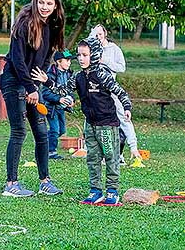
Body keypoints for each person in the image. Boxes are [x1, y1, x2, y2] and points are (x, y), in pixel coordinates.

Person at [31, 37, 132, 205]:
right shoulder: (78, 77)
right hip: (90, 124)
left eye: (85, 55)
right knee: (92, 158)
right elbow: (62, 90)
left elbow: (120, 92)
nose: (80, 58)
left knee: (110, 157)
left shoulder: (102, 74)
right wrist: (47, 81)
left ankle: (112, 191)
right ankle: (96, 191)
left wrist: (127, 107)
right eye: (79, 55)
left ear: (96, 55)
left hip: (107, 124)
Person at [0, 0, 64, 197]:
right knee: (19, 132)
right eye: (41, 2)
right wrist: (29, 87)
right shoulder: (24, 23)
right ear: (36, 2)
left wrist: (36, 85)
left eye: (49, 3)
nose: (44, 7)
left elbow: (47, 57)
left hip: (31, 85)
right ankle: (11, 184)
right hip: (14, 81)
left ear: (55, 6)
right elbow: (17, 59)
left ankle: (45, 181)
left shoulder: (52, 26)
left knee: (42, 133)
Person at [92, 24, 141, 164]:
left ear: (105, 34)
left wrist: (105, 61)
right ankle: (103, 154)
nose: (98, 37)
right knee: (99, 122)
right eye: (95, 35)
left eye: (100, 34)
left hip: (111, 89)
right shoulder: (91, 48)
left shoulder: (114, 49)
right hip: (96, 92)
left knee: (123, 118)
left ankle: (133, 148)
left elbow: (122, 68)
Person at [42, 49, 75, 160]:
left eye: (70, 60)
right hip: (51, 107)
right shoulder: (50, 74)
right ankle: (51, 152)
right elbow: (45, 93)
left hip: (61, 107)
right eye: (67, 60)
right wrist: (59, 99)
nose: (69, 62)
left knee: (62, 130)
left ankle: (42, 141)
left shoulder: (69, 73)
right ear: (58, 62)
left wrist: (72, 100)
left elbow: (70, 90)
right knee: (55, 130)